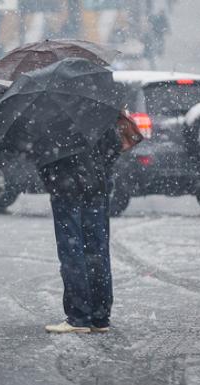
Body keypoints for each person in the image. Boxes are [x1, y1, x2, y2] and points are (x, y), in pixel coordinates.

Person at [39, 111, 143, 334]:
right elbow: (115, 146)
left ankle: (79, 316)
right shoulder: (99, 110)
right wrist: (98, 169)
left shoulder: (52, 116)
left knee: (72, 250)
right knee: (96, 248)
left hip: (66, 189)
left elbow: (44, 156)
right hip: (96, 188)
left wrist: (51, 176)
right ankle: (100, 316)